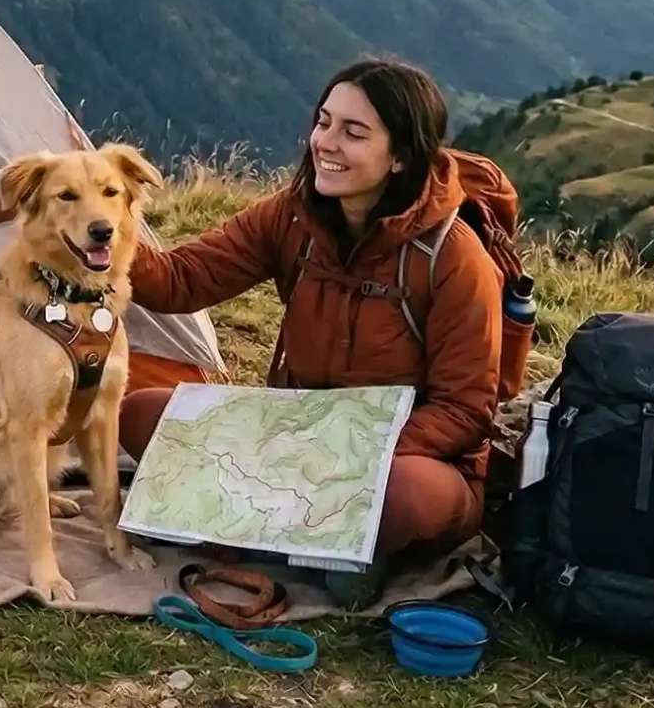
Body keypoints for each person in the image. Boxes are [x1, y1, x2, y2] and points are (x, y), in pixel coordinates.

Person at [123, 57, 502, 561]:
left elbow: (465, 410)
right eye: (323, 122)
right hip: (297, 436)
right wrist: (101, 233)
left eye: (354, 132)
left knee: (406, 496)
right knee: (141, 413)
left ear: (401, 157)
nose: (325, 142)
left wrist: (348, 458)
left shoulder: (451, 255)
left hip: (405, 455)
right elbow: (180, 282)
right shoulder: (292, 215)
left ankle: (288, 526)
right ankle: (314, 538)